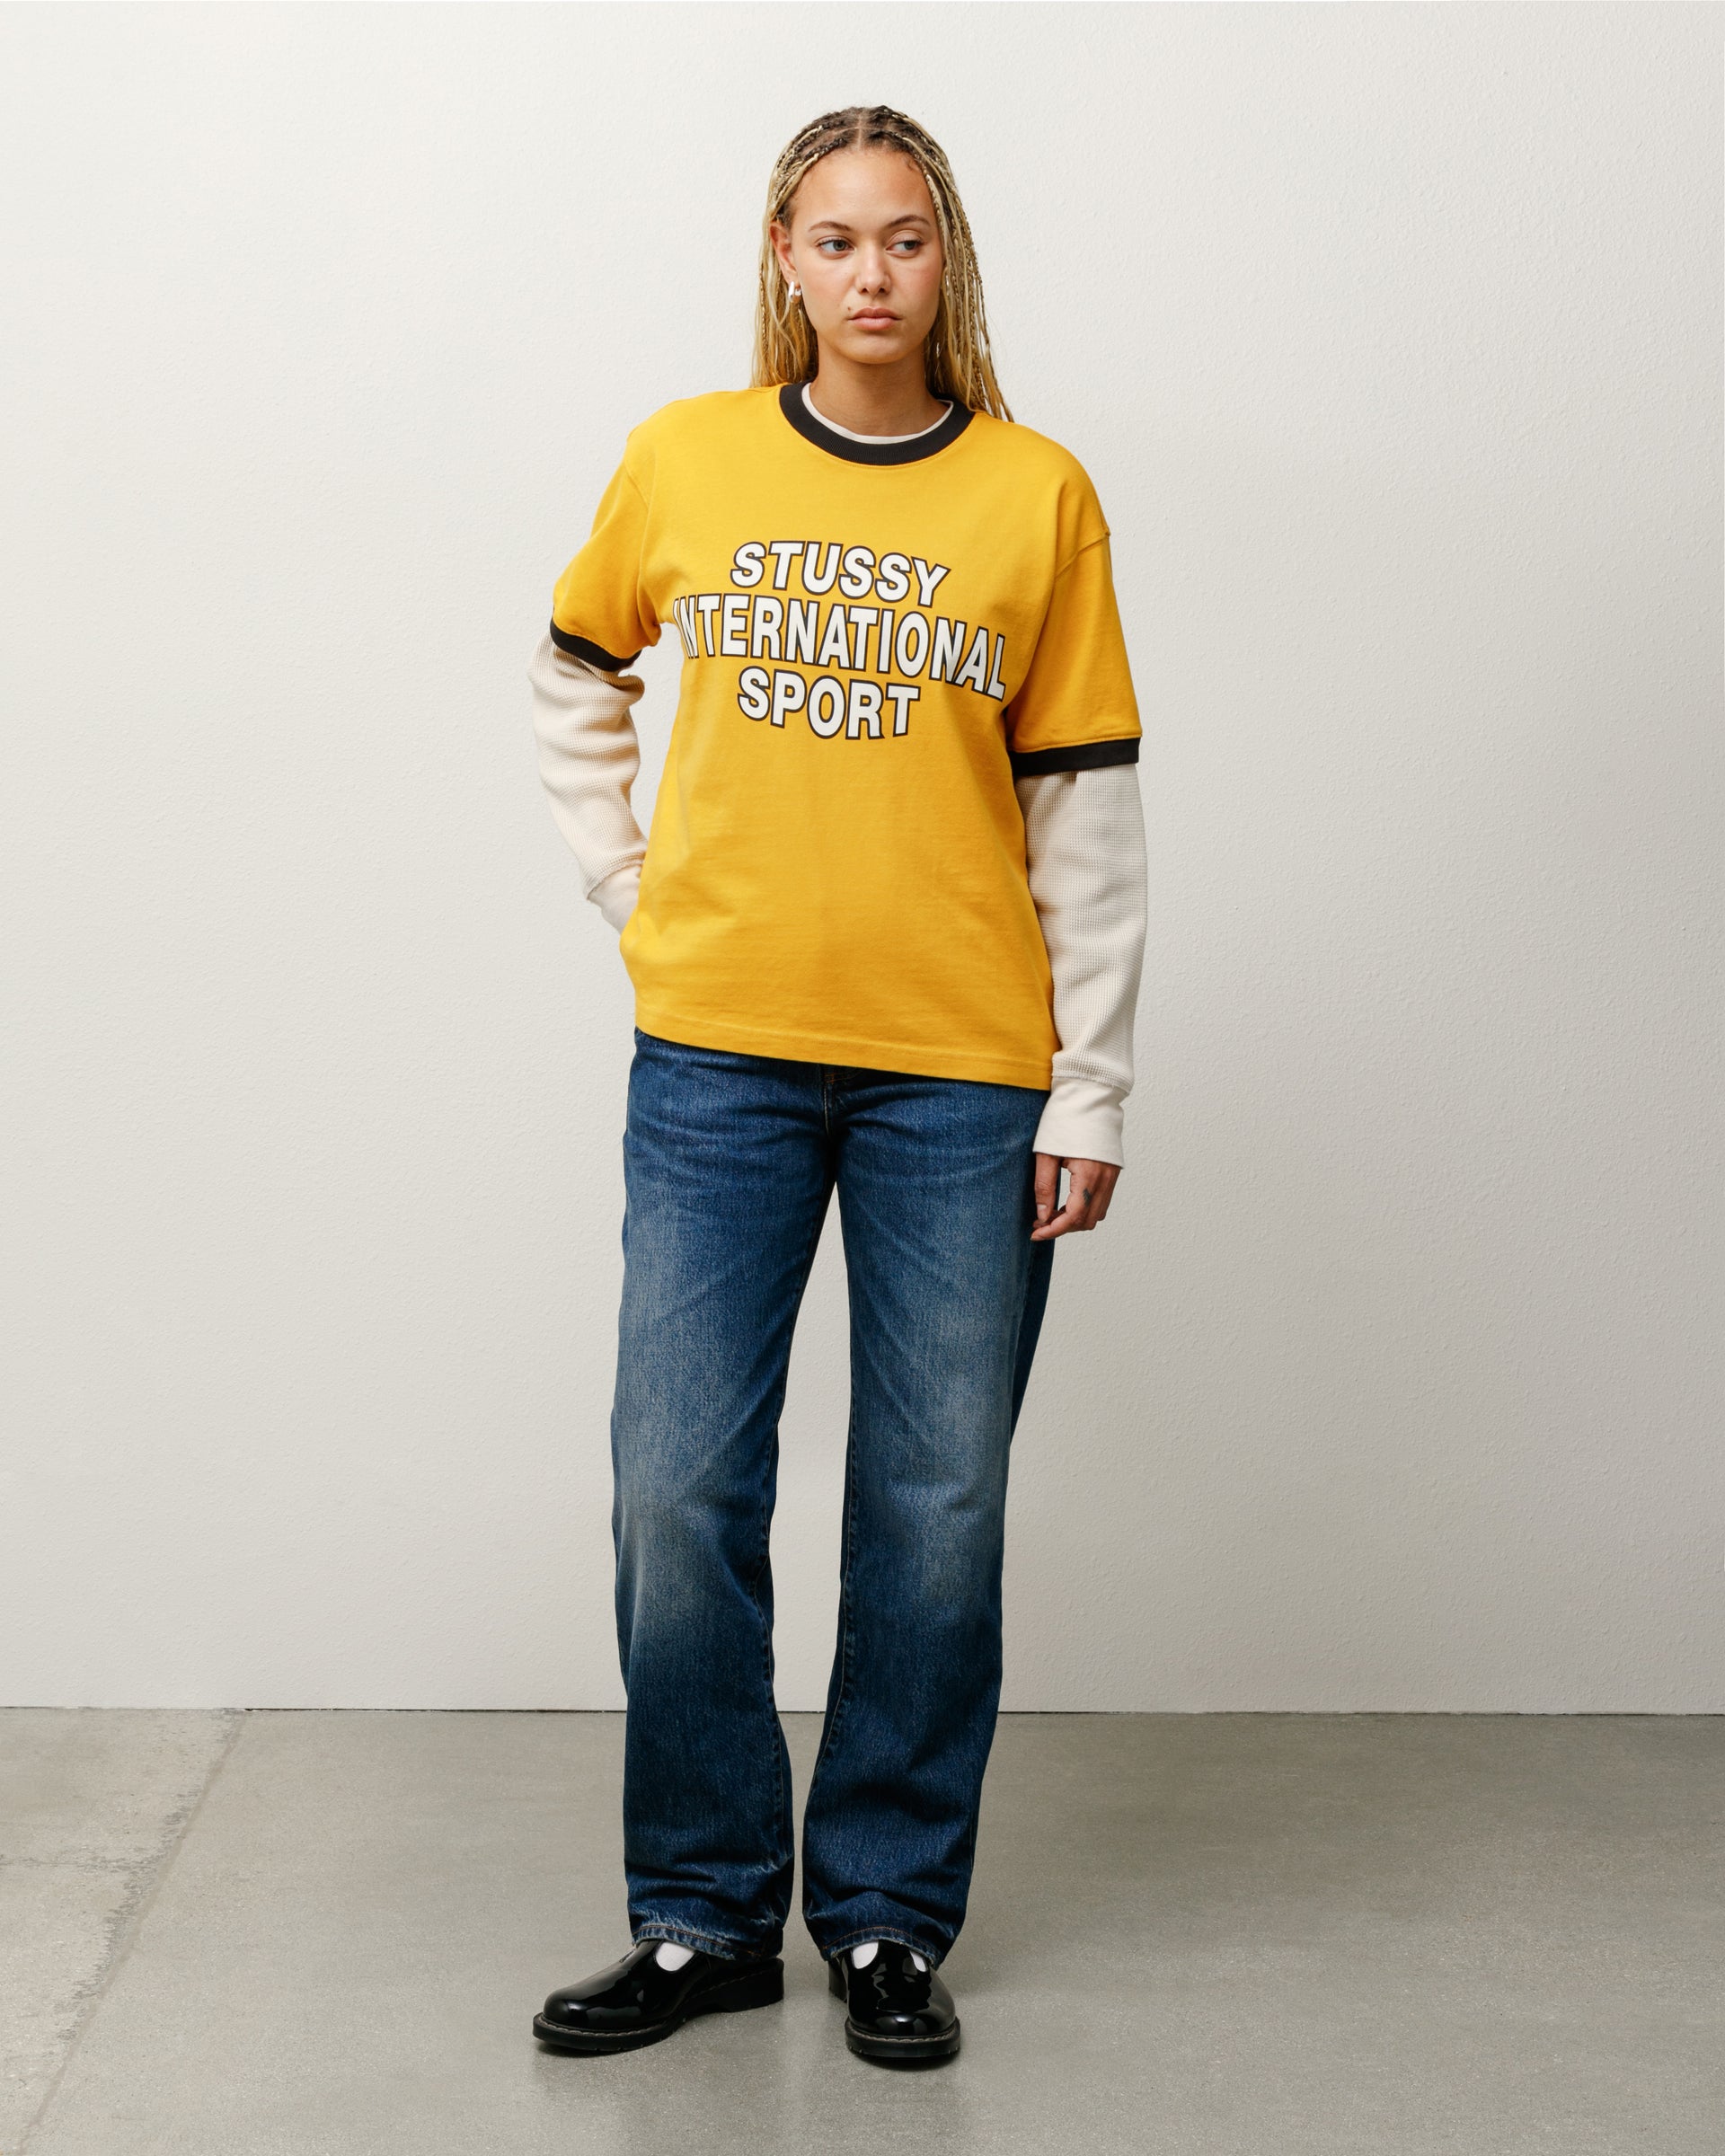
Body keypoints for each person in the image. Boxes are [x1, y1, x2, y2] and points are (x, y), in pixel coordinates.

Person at [526, 104, 1146, 2065]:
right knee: (676, 1484)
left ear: (947, 261)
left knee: (934, 1506)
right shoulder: (685, 457)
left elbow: (1087, 810)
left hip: (960, 1076)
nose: (871, 274)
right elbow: (574, 675)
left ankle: (885, 1915)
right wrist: (633, 890)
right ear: (783, 261)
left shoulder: (1036, 494)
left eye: (905, 239)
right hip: (717, 1056)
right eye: (834, 239)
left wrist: (1091, 1086)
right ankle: (704, 1915)